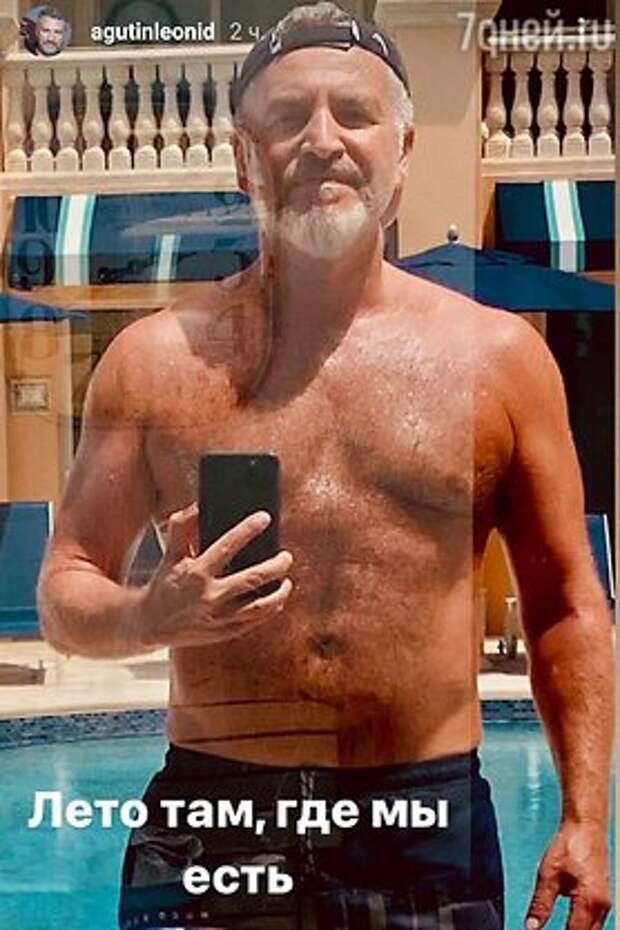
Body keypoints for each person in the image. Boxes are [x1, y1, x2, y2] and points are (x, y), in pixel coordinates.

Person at [36, 3, 613, 929]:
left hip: (422, 824)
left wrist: (585, 818)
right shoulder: (154, 363)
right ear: (242, 158)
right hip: (215, 821)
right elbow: (66, 588)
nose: (321, 140)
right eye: (286, 118)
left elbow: (568, 607)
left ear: (403, 150)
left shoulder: (498, 360)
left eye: (354, 113)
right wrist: (150, 614)